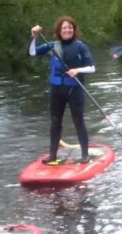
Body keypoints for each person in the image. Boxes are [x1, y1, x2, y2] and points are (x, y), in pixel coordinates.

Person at [29, 17, 96, 164]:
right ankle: (52, 155)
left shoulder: (80, 47)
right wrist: (34, 37)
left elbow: (92, 68)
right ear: (59, 31)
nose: (67, 30)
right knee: (55, 123)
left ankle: (85, 155)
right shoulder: (52, 45)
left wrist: (77, 70)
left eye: (70, 28)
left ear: (74, 30)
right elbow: (32, 52)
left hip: (74, 89)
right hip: (57, 90)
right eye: (64, 28)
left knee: (79, 121)